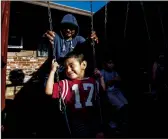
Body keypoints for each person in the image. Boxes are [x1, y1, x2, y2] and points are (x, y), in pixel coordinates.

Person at [45, 51, 105, 138]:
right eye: (66, 68)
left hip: (93, 118)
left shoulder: (93, 81)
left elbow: (102, 90)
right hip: (77, 119)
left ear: (83, 65)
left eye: (71, 66)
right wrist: (53, 71)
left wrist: (101, 77)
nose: (68, 70)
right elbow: (48, 91)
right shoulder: (66, 84)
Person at [100, 58, 128, 131]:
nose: (111, 64)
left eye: (112, 63)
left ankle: (119, 121)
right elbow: (101, 86)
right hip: (107, 93)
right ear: (105, 64)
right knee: (120, 106)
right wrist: (112, 80)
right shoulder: (102, 72)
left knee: (125, 104)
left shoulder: (114, 72)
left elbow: (119, 80)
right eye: (109, 63)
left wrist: (118, 80)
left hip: (116, 91)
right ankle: (112, 121)